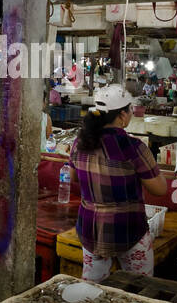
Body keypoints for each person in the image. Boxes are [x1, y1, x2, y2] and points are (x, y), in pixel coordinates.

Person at [72, 84, 168, 284]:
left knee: (91, 291)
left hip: (90, 228)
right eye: (130, 110)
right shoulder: (133, 147)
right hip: (127, 229)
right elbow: (159, 189)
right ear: (123, 116)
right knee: (138, 290)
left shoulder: (80, 142)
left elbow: (73, 177)